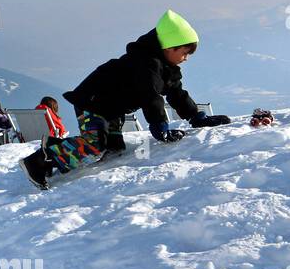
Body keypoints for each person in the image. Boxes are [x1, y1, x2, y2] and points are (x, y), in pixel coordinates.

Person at [21, 10, 231, 189]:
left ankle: (57, 146)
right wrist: (159, 126)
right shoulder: (146, 65)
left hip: (111, 108)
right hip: (93, 103)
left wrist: (196, 117)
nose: (186, 58)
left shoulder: (166, 67)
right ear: (169, 48)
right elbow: (150, 96)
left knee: (114, 148)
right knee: (95, 145)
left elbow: (176, 92)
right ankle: (39, 161)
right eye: (184, 53)